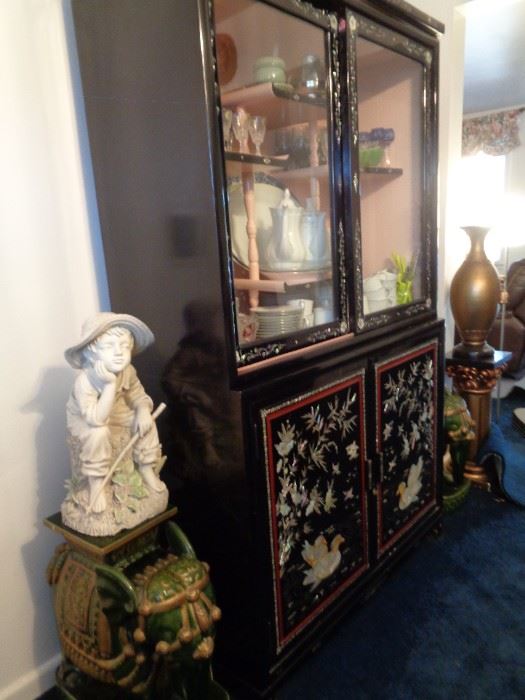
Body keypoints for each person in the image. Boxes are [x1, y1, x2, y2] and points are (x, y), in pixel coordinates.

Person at [65, 312, 165, 513]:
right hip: (88, 422)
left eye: (124, 346)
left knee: (145, 423)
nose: (119, 352)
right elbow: (96, 420)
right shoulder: (85, 381)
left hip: (117, 414)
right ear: (91, 352)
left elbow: (138, 395)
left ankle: (145, 468)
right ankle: (96, 484)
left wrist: (143, 410)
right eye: (109, 346)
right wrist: (109, 386)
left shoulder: (127, 371)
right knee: (98, 433)